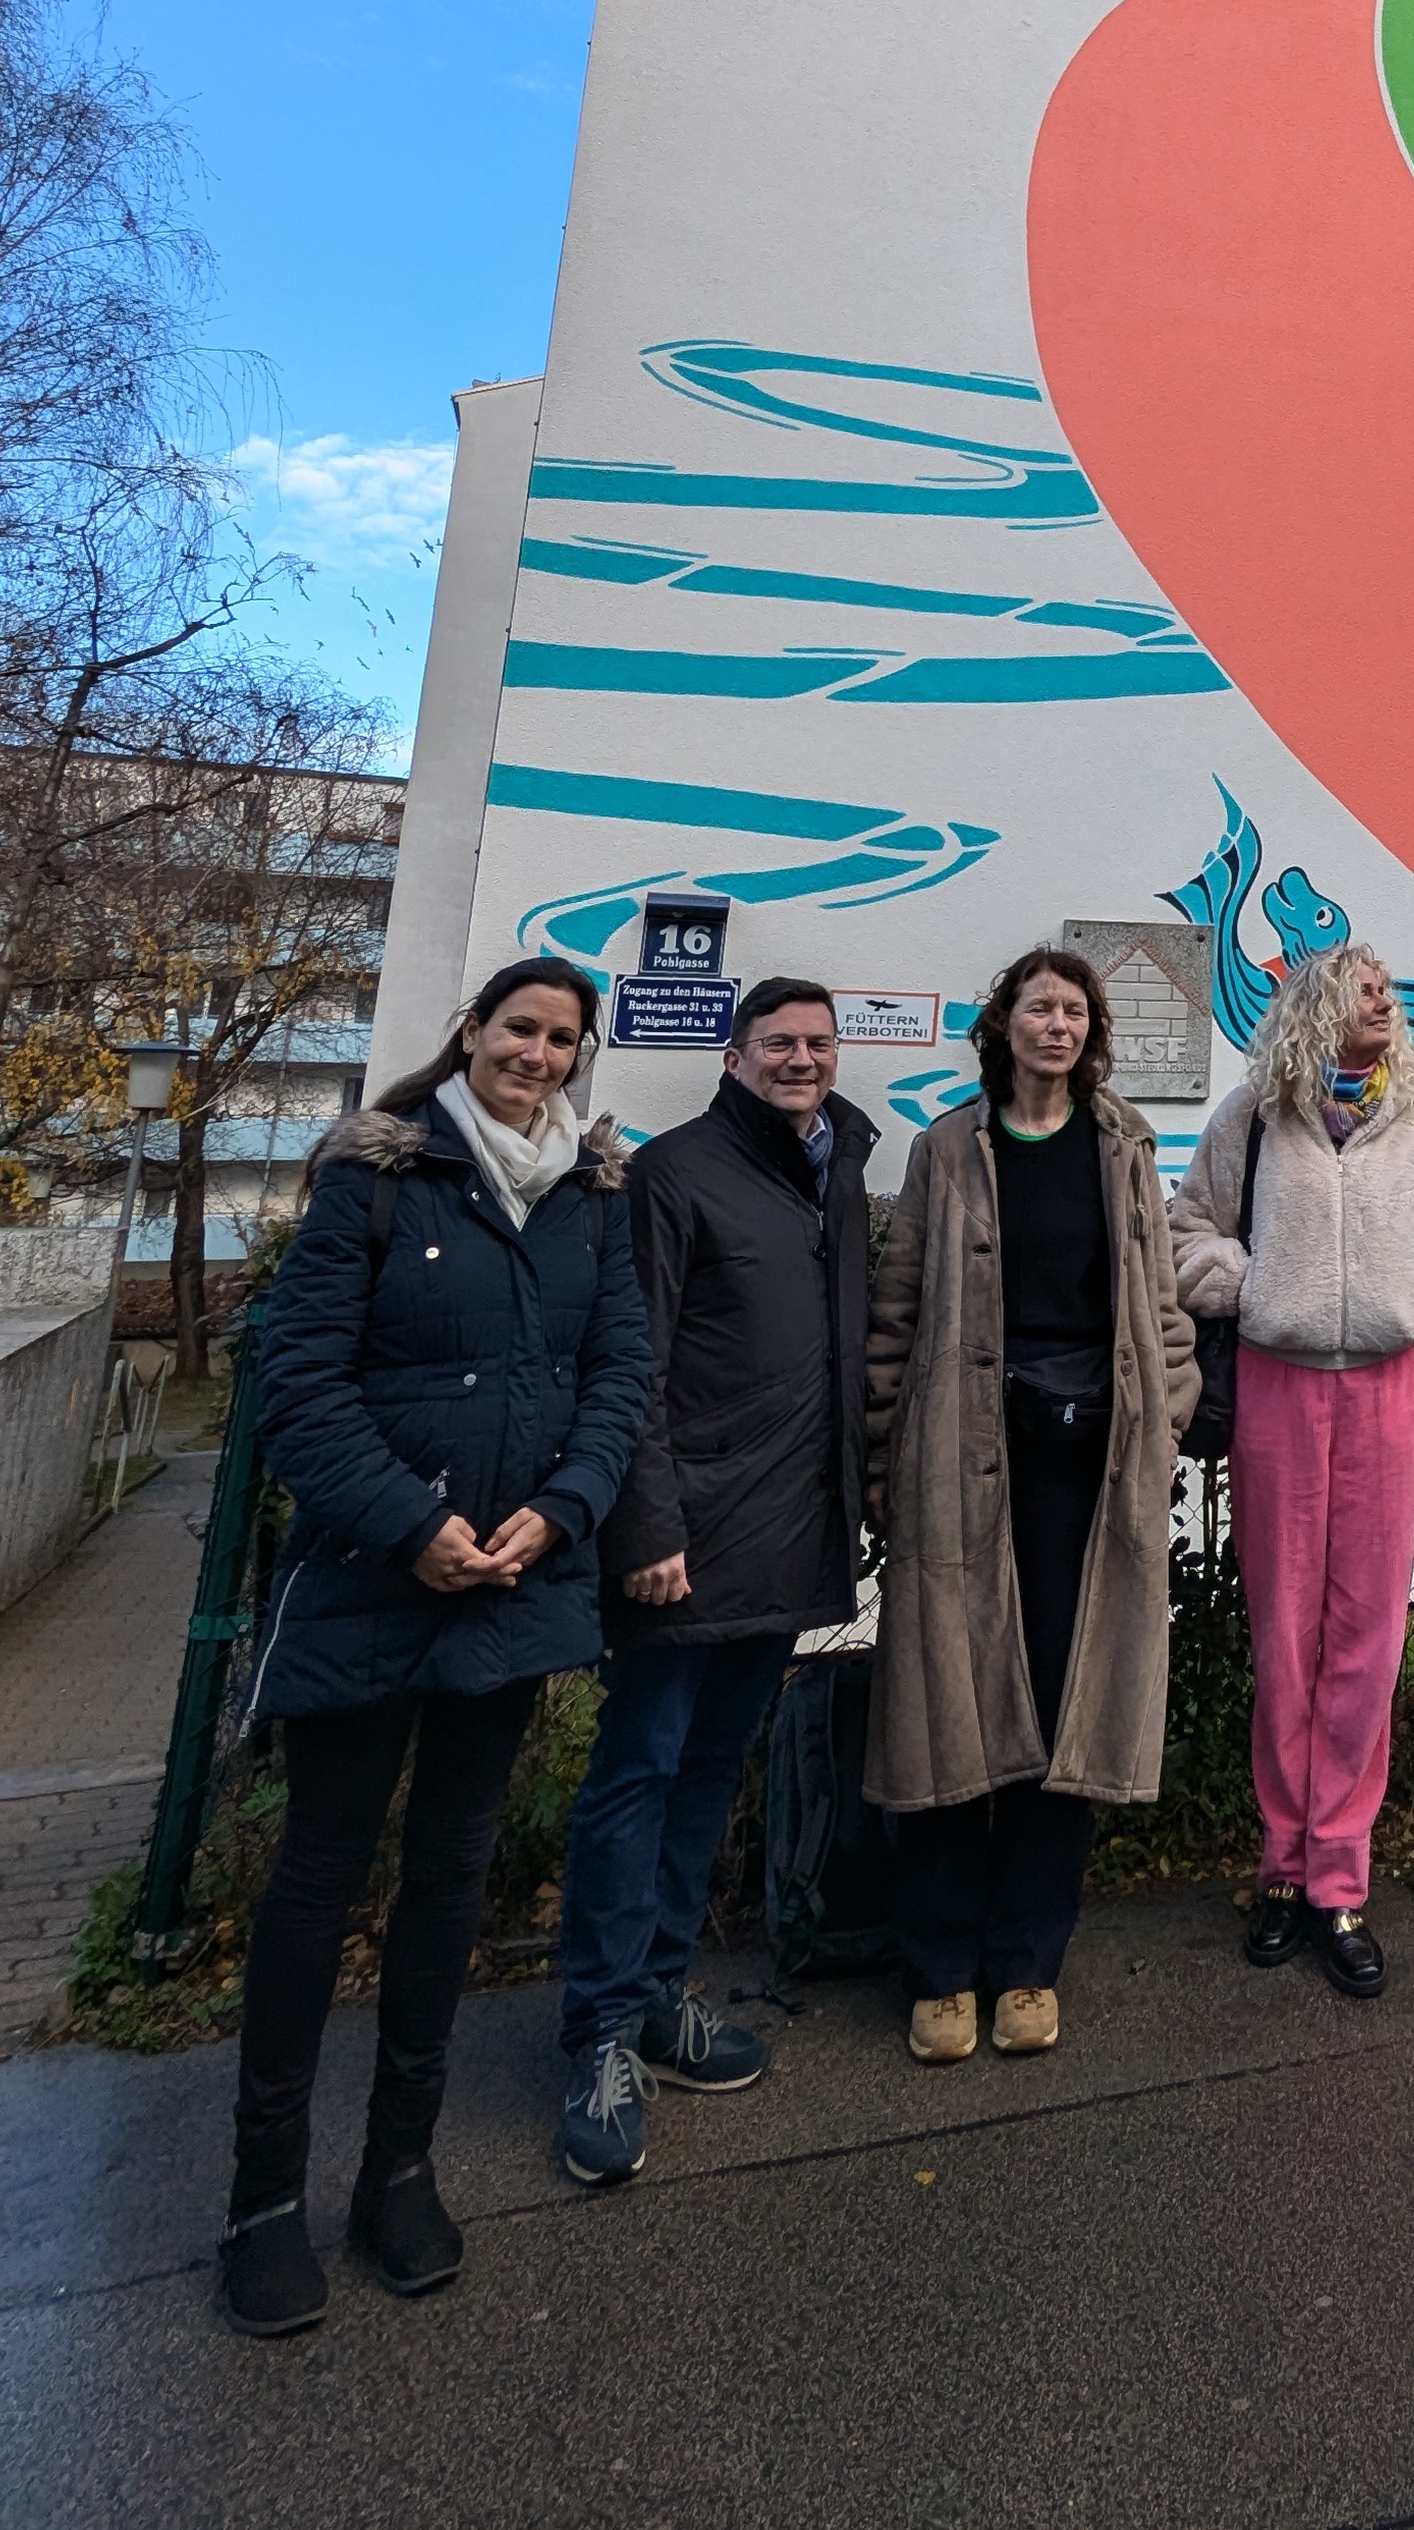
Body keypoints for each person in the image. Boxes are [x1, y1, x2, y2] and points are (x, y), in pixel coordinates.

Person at [215, 960, 650, 2337]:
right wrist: (410, 1524)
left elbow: (618, 1378)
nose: (539, 1054)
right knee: (320, 1877)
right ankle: (263, 2199)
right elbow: (299, 1382)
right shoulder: (378, 1178)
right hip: (374, 1577)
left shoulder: (592, 1197)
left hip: (513, 1585)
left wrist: (562, 1510)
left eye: (562, 1039)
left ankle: (397, 2170)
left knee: (451, 1878)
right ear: (471, 1033)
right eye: (519, 1029)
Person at [554, 979, 874, 2185]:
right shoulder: (676, 1175)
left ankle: (657, 1997)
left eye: (818, 1044)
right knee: (637, 1774)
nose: (802, 1059)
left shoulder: (835, 1169)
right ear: (734, 1057)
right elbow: (628, 1364)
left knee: (704, 1777)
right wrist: (645, 1526)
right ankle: (595, 2035)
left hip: (784, 1538)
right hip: (682, 1542)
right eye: (778, 1043)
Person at [866, 948, 1196, 2058]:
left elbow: (1160, 1304)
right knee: (946, 1701)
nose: (1058, 1025)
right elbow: (897, 1308)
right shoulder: (947, 1147)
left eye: (1075, 1011)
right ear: (1002, 1025)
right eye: (1039, 1007)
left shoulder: (1124, 1144)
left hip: (1089, 1468)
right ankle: (939, 1965)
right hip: (960, 1457)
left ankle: (1028, 1962)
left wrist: (1167, 1417)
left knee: (1067, 1701)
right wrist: (881, 1458)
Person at [1172, 946, 1414, 1997]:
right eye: (1364, 987)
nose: (1384, 1000)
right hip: (1279, 1388)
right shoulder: (1254, 1116)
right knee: (1283, 1635)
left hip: (1386, 1389)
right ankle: (1282, 1865)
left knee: (1369, 1639)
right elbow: (1189, 1230)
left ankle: (1339, 1880)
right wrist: (1252, 1288)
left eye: (1387, 989)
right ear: (1316, 1006)